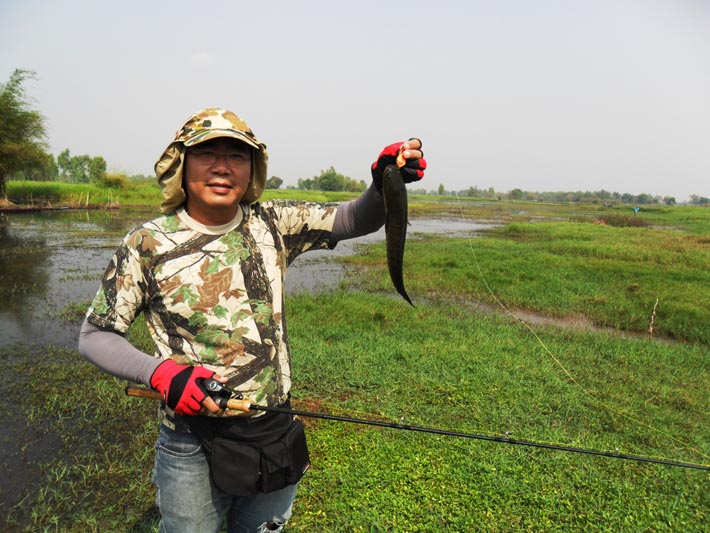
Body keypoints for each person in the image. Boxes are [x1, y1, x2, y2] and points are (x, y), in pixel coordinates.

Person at [78, 107, 426, 533]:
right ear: (181, 165)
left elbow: (355, 218)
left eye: (237, 156)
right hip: (191, 440)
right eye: (208, 154)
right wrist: (162, 374)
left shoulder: (272, 222)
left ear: (252, 169)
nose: (223, 166)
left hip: (273, 426)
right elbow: (95, 336)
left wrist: (383, 184)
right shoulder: (147, 243)